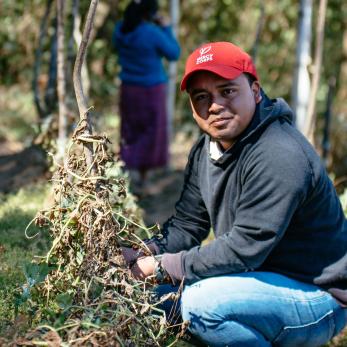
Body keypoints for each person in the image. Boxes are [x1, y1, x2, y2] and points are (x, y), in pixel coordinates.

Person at [122, 41, 347, 346]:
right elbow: (187, 227)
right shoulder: (206, 149)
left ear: (255, 91)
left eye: (227, 91)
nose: (214, 106)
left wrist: (160, 266)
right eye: (202, 97)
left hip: (316, 297)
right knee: (145, 301)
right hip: (254, 281)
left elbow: (243, 249)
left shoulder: (280, 153)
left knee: (200, 305)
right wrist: (141, 252)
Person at [112, 0, 180, 193]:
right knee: (151, 131)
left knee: (130, 129)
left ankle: (128, 176)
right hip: (151, 89)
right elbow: (174, 53)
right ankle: (143, 179)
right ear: (149, 14)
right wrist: (165, 28)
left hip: (128, 88)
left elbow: (117, 47)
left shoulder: (120, 30)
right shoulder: (151, 33)